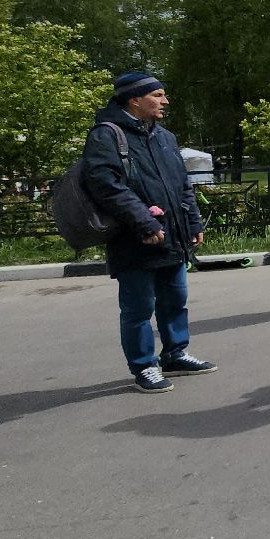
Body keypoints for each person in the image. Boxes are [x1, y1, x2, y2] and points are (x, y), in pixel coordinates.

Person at [82, 72, 214, 393]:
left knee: (175, 300)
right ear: (134, 99)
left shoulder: (165, 137)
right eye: (157, 95)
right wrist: (143, 221)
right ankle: (144, 366)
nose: (164, 101)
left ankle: (175, 354)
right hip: (135, 238)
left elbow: (182, 184)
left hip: (172, 236)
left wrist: (193, 222)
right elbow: (106, 187)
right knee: (139, 308)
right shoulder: (106, 135)